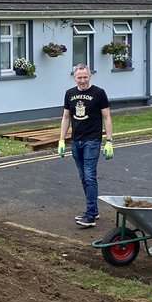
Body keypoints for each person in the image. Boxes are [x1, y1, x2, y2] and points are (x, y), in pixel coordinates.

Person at [56, 65, 113, 227]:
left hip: (92, 140)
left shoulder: (99, 93)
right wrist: (61, 140)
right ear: (74, 77)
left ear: (90, 76)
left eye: (85, 77)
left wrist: (109, 141)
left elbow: (107, 117)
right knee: (83, 177)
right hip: (76, 140)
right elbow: (66, 117)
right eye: (79, 77)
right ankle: (93, 210)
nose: (82, 80)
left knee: (89, 176)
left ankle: (90, 215)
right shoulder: (70, 93)